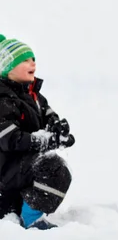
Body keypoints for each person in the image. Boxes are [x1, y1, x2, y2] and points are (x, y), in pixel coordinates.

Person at [0, 35, 75, 229]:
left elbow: (49, 117)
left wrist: (59, 132)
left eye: (33, 59)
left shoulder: (33, 95)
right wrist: (45, 141)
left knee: (57, 168)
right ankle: (31, 219)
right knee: (52, 166)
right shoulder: (3, 99)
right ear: (7, 68)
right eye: (24, 60)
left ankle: (20, 207)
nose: (32, 63)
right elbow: (9, 138)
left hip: (18, 171)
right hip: (4, 171)